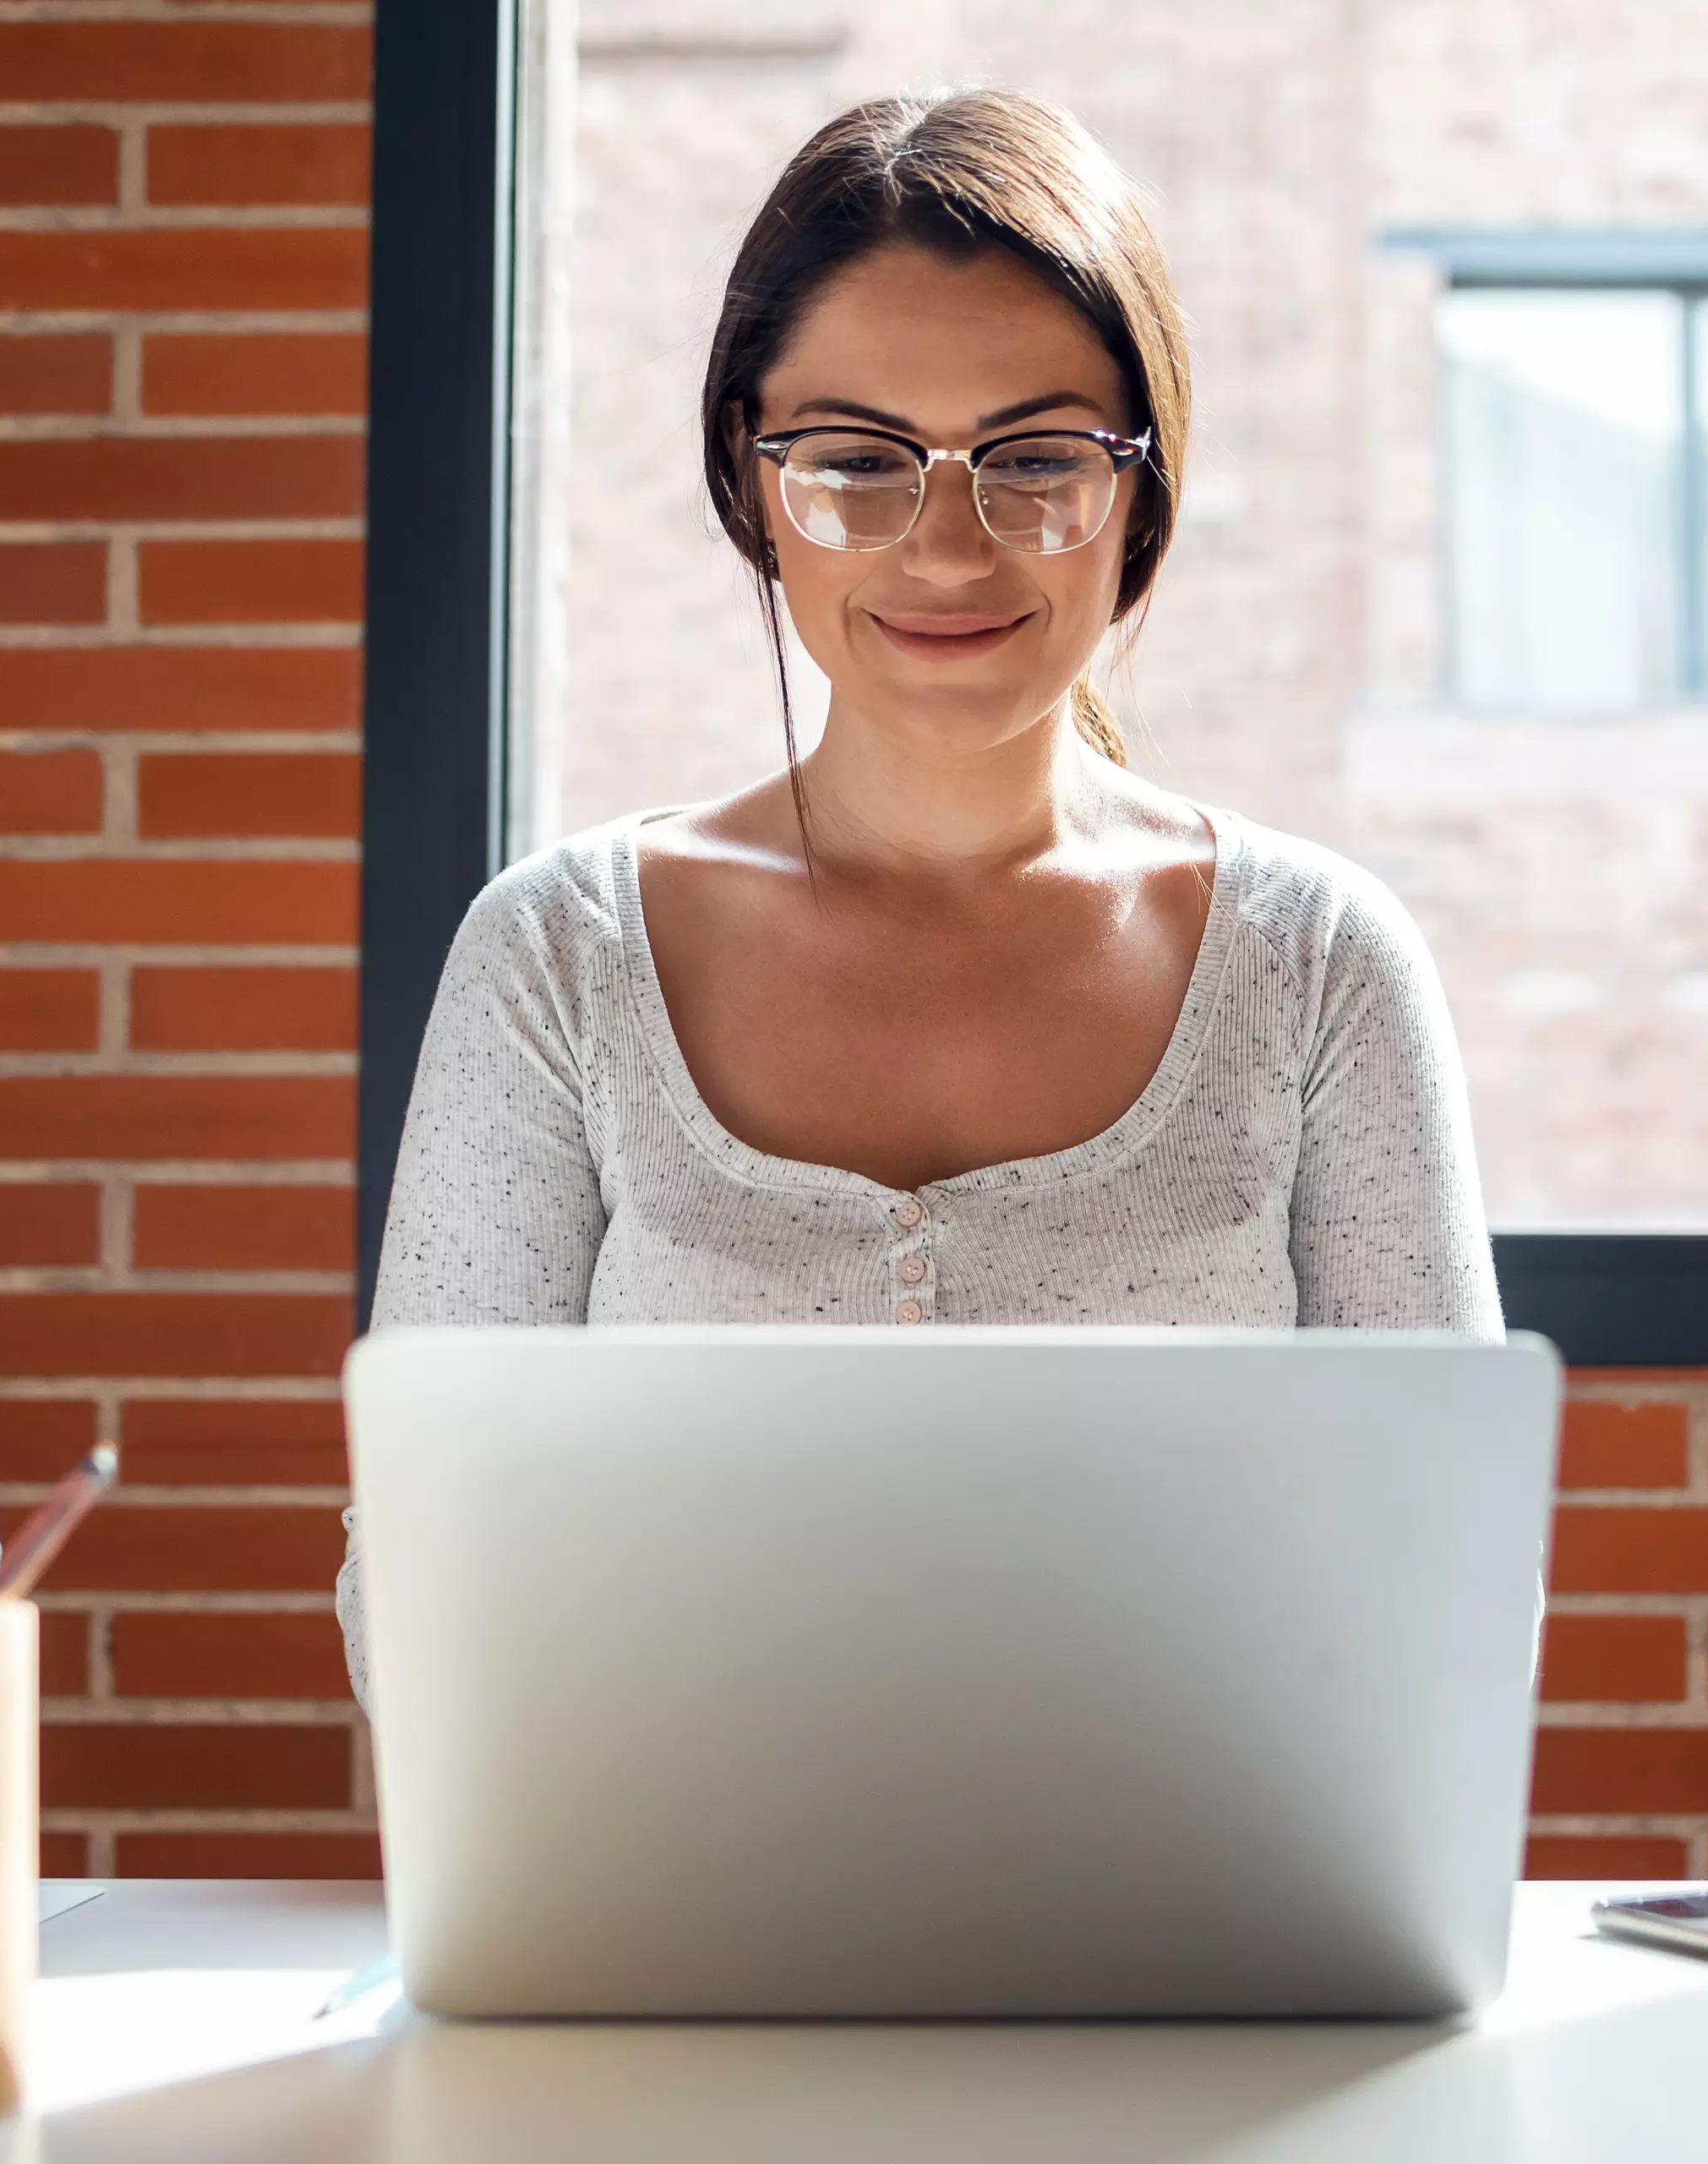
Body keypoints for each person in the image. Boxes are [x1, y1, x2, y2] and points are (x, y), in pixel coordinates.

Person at [339, 88, 1499, 1699]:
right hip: (680, 1925)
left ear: (1141, 494)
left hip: (1201, 1930)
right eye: (857, 463)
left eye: (1034, 460)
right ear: (750, 483)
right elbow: (418, 1602)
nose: (949, 547)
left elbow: (1444, 1591)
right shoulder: (559, 960)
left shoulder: (1318, 969)